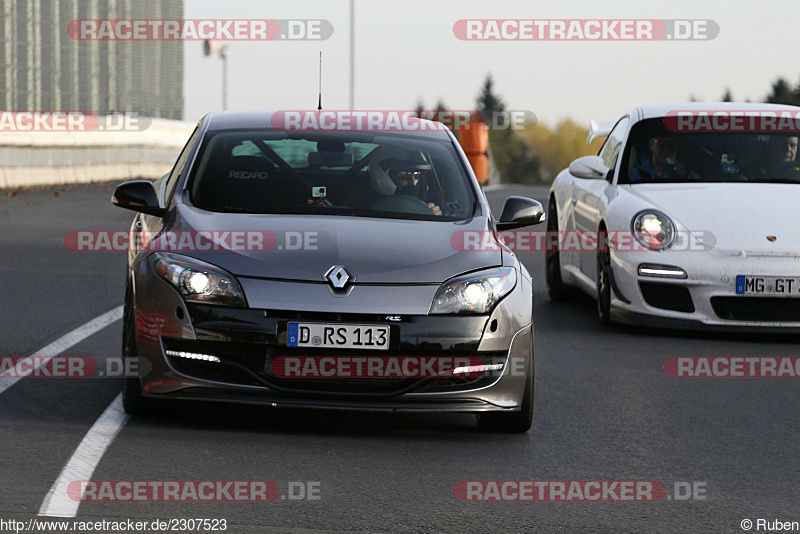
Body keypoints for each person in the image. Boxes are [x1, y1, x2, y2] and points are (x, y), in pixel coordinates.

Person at [361, 146, 442, 215]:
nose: (413, 182)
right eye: (406, 175)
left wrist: (432, 216)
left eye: (416, 175)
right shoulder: (361, 208)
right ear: (382, 175)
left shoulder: (424, 205)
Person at [631, 136, 698, 181]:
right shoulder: (636, 174)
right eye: (661, 143)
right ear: (651, 145)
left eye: (671, 144)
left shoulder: (686, 174)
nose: (667, 149)